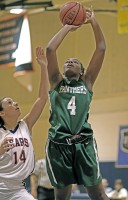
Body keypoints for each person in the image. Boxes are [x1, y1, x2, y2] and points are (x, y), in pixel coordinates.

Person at [45, 7, 108, 200]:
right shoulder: (56, 81)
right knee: (62, 196)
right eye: (67, 61)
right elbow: (50, 50)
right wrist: (68, 26)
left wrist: (93, 22)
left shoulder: (86, 82)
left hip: (84, 143)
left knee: (98, 195)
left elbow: (101, 48)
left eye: (74, 61)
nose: (69, 62)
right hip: (58, 144)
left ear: (82, 70)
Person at [0, 47, 49, 200]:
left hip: (17, 189)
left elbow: (42, 98)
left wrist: (44, 67)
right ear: (1, 113)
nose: (15, 103)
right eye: (10, 102)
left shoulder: (25, 125)